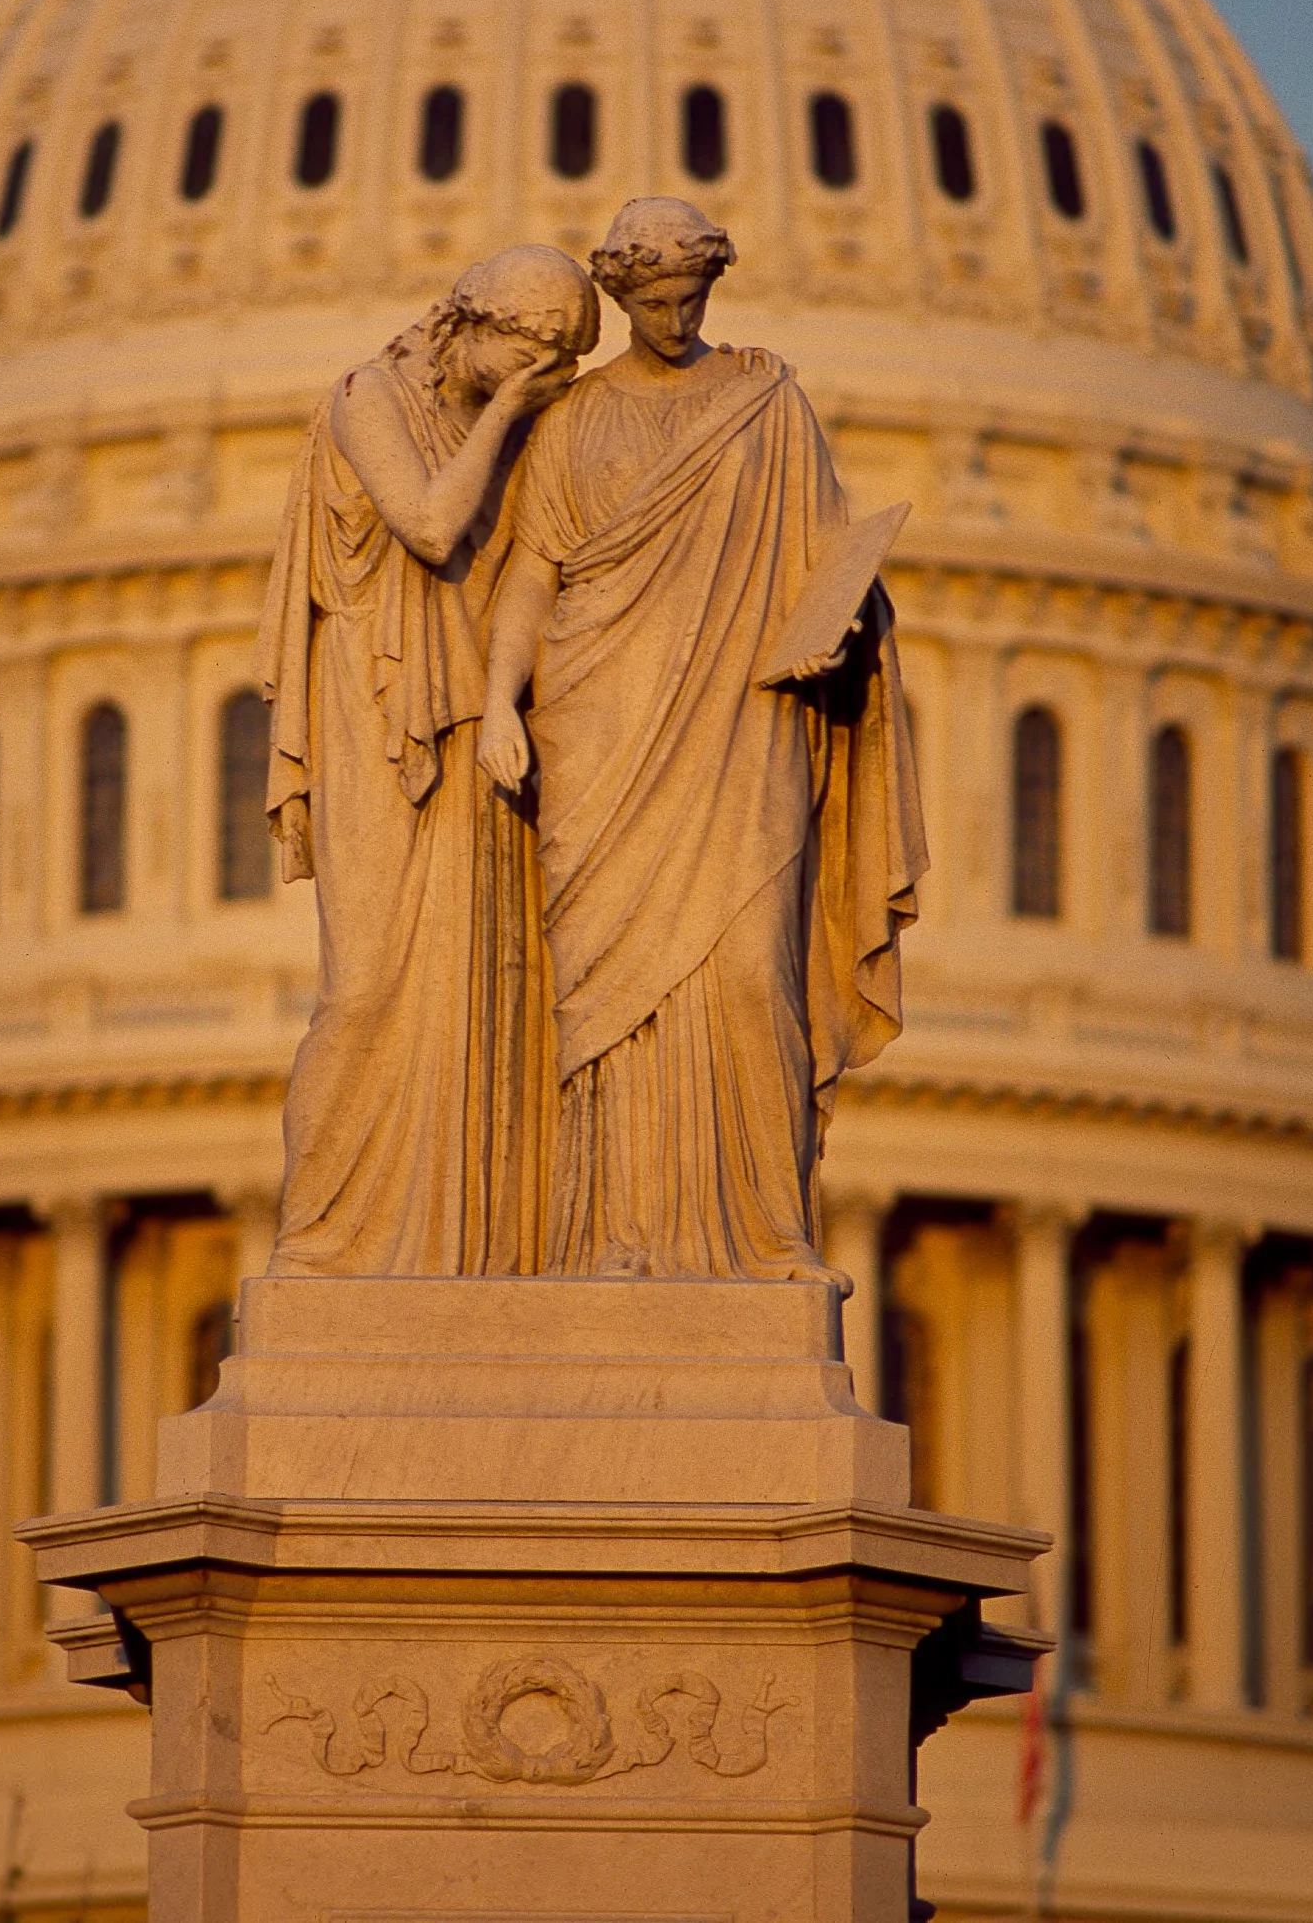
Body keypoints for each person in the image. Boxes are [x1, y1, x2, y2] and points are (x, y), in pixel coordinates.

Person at [479, 198, 926, 1278]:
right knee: (610, 1005)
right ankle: (614, 1234)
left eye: (693, 299)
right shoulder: (576, 422)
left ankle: (767, 1232)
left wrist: (844, 627)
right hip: (598, 734)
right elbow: (532, 572)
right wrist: (497, 701)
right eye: (657, 304)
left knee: (749, 975)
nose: (677, 320)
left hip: (741, 728)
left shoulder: (767, 406)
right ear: (620, 297)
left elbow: (827, 559)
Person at [256, 246, 598, 1273]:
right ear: (474, 326)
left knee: (484, 994)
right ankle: (323, 1243)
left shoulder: (523, 422)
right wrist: (512, 412)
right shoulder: (371, 397)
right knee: (365, 991)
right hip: (375, 710)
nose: (548, 381)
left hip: (481, 723)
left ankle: (474, 1246)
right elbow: (431, 525)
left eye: (566, 364)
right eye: (536, 357)